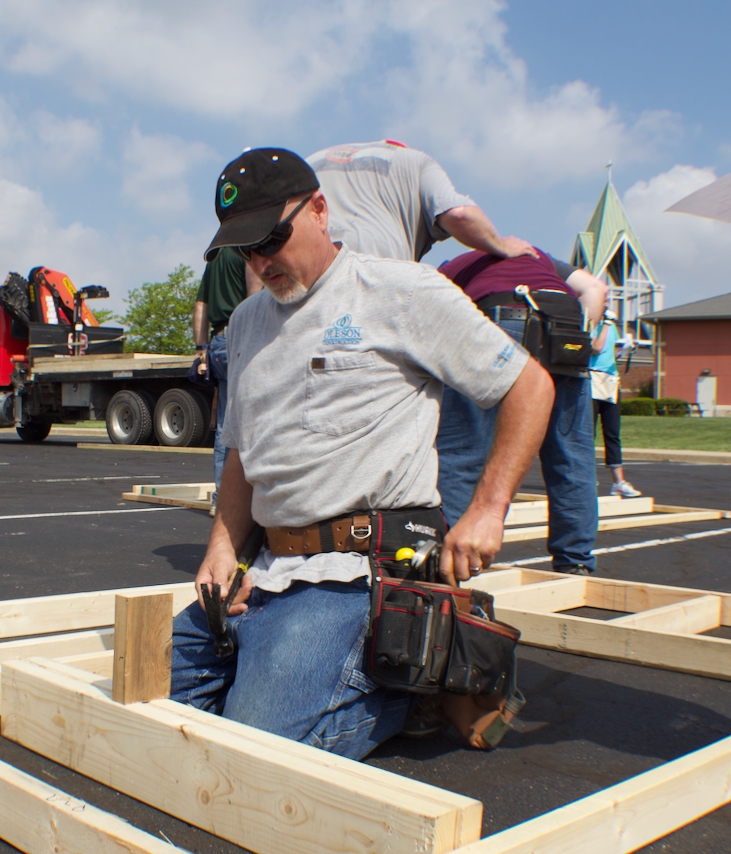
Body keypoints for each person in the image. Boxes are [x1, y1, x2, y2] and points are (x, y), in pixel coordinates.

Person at [177, 148, 553, 759]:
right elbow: (243, 455)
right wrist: (222, 549)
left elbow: (529, 385)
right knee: (157, 694)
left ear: (320, 210)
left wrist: (487, 509)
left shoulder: (397, 292)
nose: (261, 259)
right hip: (270, 572)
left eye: (272, 237)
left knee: (252, 752)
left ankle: (409, 685)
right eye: (245, 248)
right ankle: (349, 679)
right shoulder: (246, 322)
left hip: (359, 576)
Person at [436, 250, 608, 575]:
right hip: (567, 327)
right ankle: (575, 563)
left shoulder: (451, 267)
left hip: (503, 318)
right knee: (571, 459)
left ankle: (452, 565)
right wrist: (583, 337)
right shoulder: (540, 257)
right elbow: (596, 290)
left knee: (463, 452)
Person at [307, 140, 537, 262]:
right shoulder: (414, 161)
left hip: (304, 278)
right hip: (376, 278)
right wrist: (501, 244)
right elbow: (459, 214)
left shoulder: (309, 163)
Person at [191, 247, 261, 488]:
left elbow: (200, 305)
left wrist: (202, 349)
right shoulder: (247, 251)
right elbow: (255, 297)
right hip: (240, 335)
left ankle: (221, 498)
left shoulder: (214, 258)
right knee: (253, 418)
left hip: (218, 343)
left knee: (224, 424)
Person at [590, 314, 641, 498]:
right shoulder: (590, 323)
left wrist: (625, 350)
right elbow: (596, 348)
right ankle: (586, 477)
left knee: (612, 433)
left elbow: (610, 354)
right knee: (589, 433)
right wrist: (605, 323)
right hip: (591, 379)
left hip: (610, 380)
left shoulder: (610, 326)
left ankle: (618, 482)